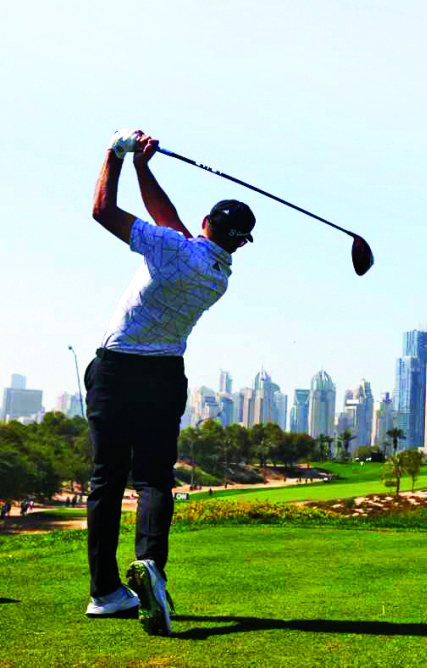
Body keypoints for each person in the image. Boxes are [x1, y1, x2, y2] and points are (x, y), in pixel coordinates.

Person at [84, 129, 255, 636]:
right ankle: (151, 568)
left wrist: (115, 154)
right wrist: (144, 166)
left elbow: (102, 211)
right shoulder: (216, 273)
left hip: (117, 370)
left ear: (206, 224)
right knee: (154, 479)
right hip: (164, 376)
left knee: (106, 481)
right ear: (239, 243)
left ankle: (104, 592)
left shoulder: (176, 249)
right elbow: (170, 224)